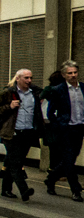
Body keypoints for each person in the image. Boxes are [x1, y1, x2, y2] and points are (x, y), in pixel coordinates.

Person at [0, 69, 42, 202]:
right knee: (15, 163)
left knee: (17, 162)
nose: (29, 80)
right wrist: (9, 106)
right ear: (18, 79)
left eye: (30, 78)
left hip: (28, 132)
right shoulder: (8, 93)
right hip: (12, 133)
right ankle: (24, 190)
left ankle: (6, 190)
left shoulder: (34, 93)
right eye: (26, 78)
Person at [45, 60, 83, 202]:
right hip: (66, 129)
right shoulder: (58, 90)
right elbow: (50, 113)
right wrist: (59, 126)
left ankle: (51, 179)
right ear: (63, 75)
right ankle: (76, 190)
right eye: (70, 73)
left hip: (79, 128)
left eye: (75, 72)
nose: (73, 75)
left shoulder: (83, 88)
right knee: (68, 159)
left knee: (71, 158)